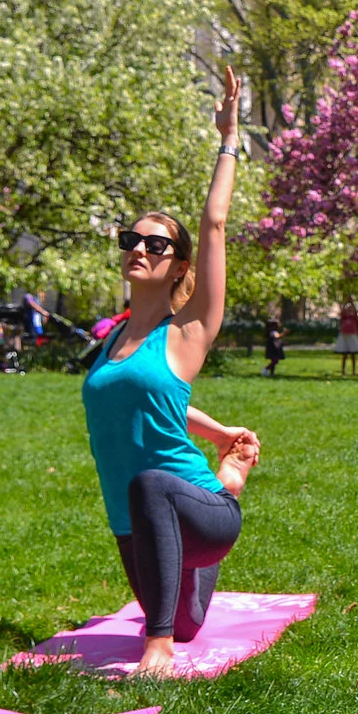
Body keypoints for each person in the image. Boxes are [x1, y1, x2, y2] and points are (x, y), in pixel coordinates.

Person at [80, 63, 263, 680]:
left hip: (194, 507)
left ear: (179, 264)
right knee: (185, 620)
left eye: (155, 244)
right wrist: (221, 435)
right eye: (131, 239)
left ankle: (156, 649)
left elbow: (214, 224)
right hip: (132, 518)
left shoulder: (187, 332)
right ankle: (174, 619)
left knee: (152, 486)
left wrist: (228, 139)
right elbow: (154, 406)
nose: (139, 248)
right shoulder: (113, 340)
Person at [333, 300, 358, 375]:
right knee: (344, 355)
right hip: (344, 336)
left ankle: (353, 371)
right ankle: (343, 371)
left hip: (352, 336)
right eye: (348, 309)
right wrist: (346, 302)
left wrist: (352, 303)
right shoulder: (344, 317)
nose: (349, 310)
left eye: (350, 309)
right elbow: (342, 312)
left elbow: (355, 312)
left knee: (353, 355)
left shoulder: (353, 317)